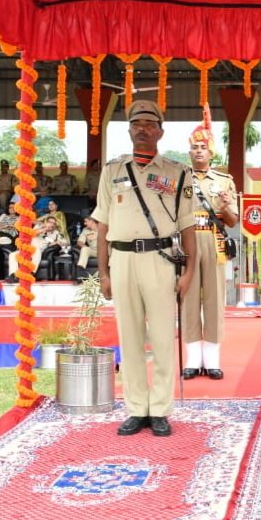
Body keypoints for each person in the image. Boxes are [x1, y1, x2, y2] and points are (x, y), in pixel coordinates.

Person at [93, 99, 196, 438]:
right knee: (131, 336)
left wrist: (189, 272)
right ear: (129, 130)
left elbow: (187, 227)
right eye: (137, 123)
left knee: (164, 336)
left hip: (160, 260)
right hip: (122, 261)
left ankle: (161, 409)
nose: (143, 129)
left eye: (150, 124)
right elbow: (102, 224)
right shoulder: (112, 171)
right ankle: (137, 409)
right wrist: (104, 272)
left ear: (161, 132)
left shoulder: (177, 173)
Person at [181, 115, 238, 381]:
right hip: (189, 240)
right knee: (189, 300)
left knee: (214, 301)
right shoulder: (179, 179)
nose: (198, 151)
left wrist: (226, 205)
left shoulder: (224, 181)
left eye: (203, 147)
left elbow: (233, 220)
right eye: (194, 147)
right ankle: (193, 360)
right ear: (189, 151)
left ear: (211, 151)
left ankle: (212, 360)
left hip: (214, 240)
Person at [6, 215, 63, 282]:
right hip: (27, 249)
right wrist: (44, 229)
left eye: (53, 223)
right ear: (46, 222)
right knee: (12, 255)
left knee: (37, 251)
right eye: (50, 222)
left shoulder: (56, 233)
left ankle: (31, 273)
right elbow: (32, 234)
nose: (52, 224)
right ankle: (13, 275)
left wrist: (55, 243)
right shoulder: (39, 227)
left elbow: (62, 242)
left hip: (38, 251)